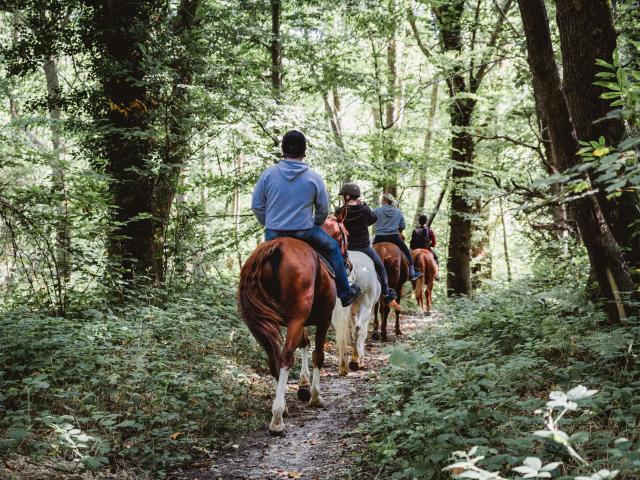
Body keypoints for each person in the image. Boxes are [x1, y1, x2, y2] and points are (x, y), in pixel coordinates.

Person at [251, 130, 361, 307]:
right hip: (303, 232)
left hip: (273, 233)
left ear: (283, 150)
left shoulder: (268, 174)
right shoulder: (314, 177)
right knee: (333, 247)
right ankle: (345, 292)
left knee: (255, 263)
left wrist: (270, 224)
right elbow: (323, 210)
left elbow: (257, 206)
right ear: (304, 152)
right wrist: (315, 225)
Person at [335, 183, 401, 311]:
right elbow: (373, 219)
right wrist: (364, 205)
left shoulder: (340, 211)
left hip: (346, 250)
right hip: (363, 248)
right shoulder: (364, 210)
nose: (343, 197)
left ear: (348, 196)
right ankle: (386, 294)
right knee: (381, 268)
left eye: (344, 195)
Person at [372, 193, 423, 281]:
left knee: (368, 252)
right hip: (394, 237)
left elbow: (371, 220)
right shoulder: (398, 211)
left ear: (384, 201)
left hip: (379, 237)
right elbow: (402, 226)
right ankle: (412, 273)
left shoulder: (376, 210)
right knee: (406, 252)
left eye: (381, 200)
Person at [410, 214, 440, 279]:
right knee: (436, 258)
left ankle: (409, 273)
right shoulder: (429, 230)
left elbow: (411, 244)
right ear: (426, 221)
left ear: (419, 221)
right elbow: (434, 243)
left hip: (416, 249)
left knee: (409, 260)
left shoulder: (415, 231)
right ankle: (437, 275)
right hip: (426, 249)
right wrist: (431, 245)